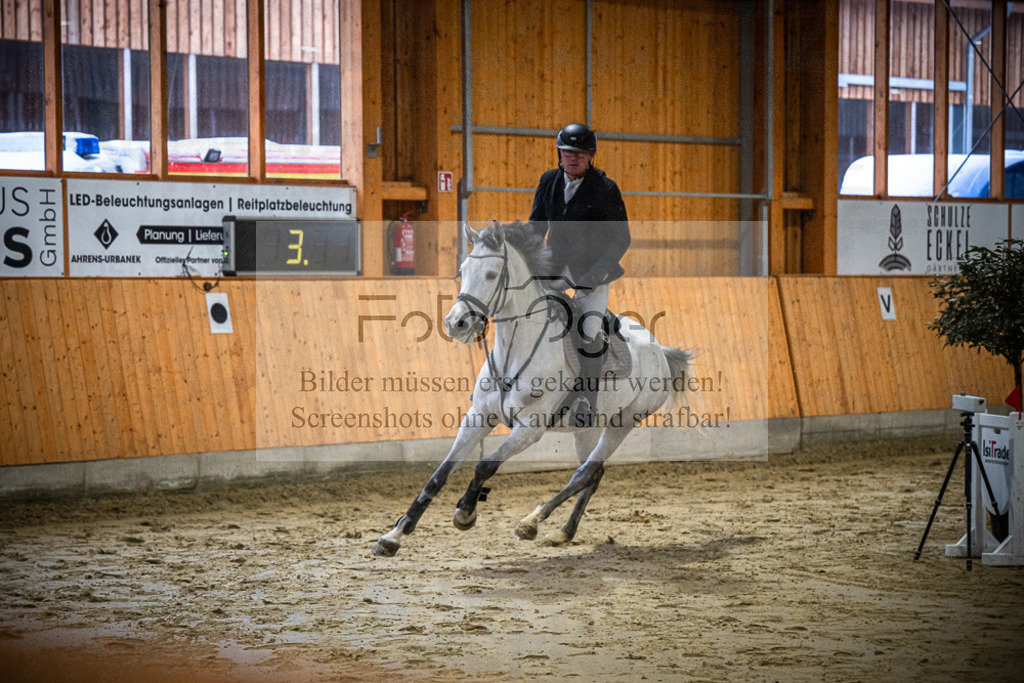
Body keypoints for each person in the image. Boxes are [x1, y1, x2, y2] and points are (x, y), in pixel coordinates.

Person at [529, 122, 630, 426]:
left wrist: (598, 274)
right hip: (556, 267)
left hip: (592, 271)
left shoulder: (605, 188)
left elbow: (620, 238)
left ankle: (588, 397)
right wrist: (529, 261)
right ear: (559, 153)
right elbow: (536, 227)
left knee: (588, 331)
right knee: (524, 310)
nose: (573, 158)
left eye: (580, 154)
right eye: (568, 152)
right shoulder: (548, 181)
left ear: (590, 156)